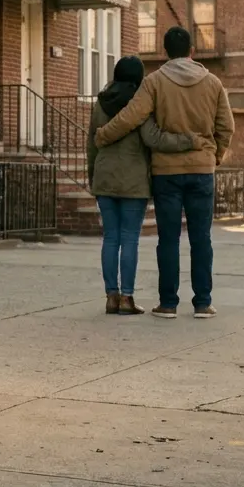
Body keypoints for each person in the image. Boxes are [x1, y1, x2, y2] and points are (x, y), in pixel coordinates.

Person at [94, 27, 234, 319]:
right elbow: (226, 127)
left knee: (168, 239)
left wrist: (103, 135)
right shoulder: (213, 83)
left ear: (165, 52)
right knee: (201, 239)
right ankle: (202, 303)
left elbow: (131, 116)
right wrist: (214, 156)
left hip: (166, 174)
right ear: (192, 51)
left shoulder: (154, 82)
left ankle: (168, 303)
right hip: (201, 170)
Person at [87, 56, 204, 316]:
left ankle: (110, 296)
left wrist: (92, 174)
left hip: (104, 177)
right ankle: (127, 298)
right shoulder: (141, 102)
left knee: (110, 238)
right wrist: (188, 141)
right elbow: (152, 138)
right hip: (134, 180)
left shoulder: (101, 101)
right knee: (129, 239)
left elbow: (91, 142)